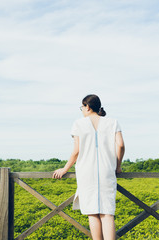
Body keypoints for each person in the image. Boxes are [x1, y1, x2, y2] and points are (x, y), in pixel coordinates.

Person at [52, 94, 125, 240]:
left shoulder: (78, 124)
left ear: (87, 107)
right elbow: (121, 145)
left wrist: (64, 169)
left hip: (86, 172)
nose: (82, 110)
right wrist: (117, 166)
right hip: (107, 171)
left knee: (92, 212)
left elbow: (76, 151)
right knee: (107, 213)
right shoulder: (113, 122)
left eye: (82, 107)